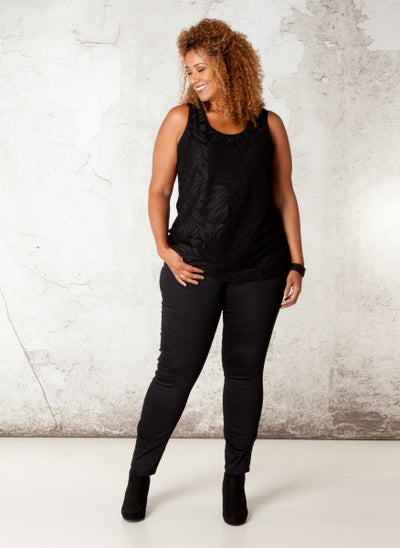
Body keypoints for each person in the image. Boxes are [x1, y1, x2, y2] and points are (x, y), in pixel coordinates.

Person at [121, 18, 305, 526]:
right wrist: (164, 249)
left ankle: (234, 479)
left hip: (260, 270)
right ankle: (140, 475)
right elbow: (159, 190)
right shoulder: (182, 119)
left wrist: (296, 262)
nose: (194, 78)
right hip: (193, 269)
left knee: (244, 375)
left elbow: (284, 196)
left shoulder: (269, 126)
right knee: (174, 376)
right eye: (189, 70)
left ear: (229, 65)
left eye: (201, 68)